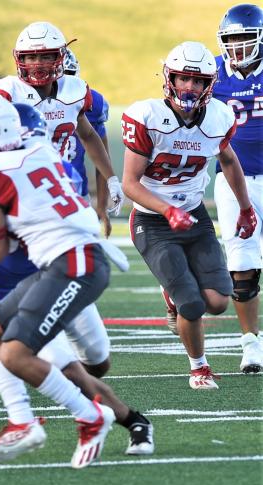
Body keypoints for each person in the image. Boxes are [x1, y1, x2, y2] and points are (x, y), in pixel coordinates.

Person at [0, 102, 152, 460]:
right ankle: (22, 422)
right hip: (66, 262)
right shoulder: (44, 154)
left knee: (16, 353)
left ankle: (91, 417)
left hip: (74, 264)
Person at [122, 41, 257, 390]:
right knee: (193, 304)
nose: (190, 87)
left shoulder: (218, 117)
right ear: (170, 78)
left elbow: (228, 161)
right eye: (183, 79)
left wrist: (245, 208)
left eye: (198, 82)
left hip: (193, 215)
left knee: (217, 301)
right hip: (153, 221)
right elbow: (130, 184)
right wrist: (167, 210)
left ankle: (174, 295)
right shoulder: (147, 116)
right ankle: (199, 368)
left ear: (209, 85)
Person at [0, 21, 124, 236]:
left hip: (65, 186)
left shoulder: (75, 90)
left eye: (46, 56)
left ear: (60, 56)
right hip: (21, 190)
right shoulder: (6, 92)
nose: (37, 64)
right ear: (20, 58)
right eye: (31, 57)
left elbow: (88, 135)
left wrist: (112, 179)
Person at [212, 3, 263, 374]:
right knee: (241, 262)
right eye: (231, 39)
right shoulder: (210, 73)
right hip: (232, 181)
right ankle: (251, 343)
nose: (238, 46)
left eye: (245, 38)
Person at [60, 49, 110, 203]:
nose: (65, 84)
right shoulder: (26, 102)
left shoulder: (91, 103)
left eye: (69, 75)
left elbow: (102, 156)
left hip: (78, 194)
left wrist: (102, 206)